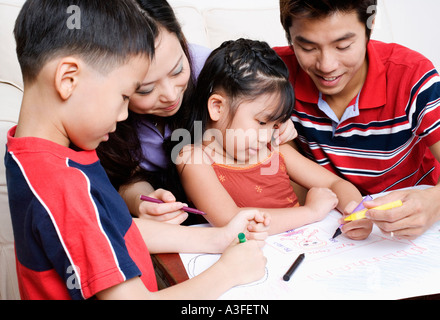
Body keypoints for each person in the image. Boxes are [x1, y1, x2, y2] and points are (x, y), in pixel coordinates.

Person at [6, 0, 268, 300]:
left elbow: (116, 231)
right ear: (68, 79)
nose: (122, 115)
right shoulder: (62, 185)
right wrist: (228, 272)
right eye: (124, 95)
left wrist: (218, 237)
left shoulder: (34, 153)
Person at [96, 0, 297, 226]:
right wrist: (141, 201)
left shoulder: (214, 72)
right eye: (146, 89)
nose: (171, 96)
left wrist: (279, 124)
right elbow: (127, 177)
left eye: (177, 70)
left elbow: (264, 110)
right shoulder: (105, 114)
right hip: (185, 222)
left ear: (181, 39)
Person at [275, 0, 440, 239]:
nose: (327, 66)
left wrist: (438, 201)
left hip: (408, 224)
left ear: (370, 25)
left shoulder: (410, 74)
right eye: (307, 48)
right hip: (329, 226)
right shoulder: (273, 78)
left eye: (344, 46)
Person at [176, 38, 368, 237]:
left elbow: (335, 184)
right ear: (217, 107)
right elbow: (232, 221)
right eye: (261, 122)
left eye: (275, 125)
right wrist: (311, 212)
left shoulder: (272, 148)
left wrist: (357, 213)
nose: (267, 135)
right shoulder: (193, 159)